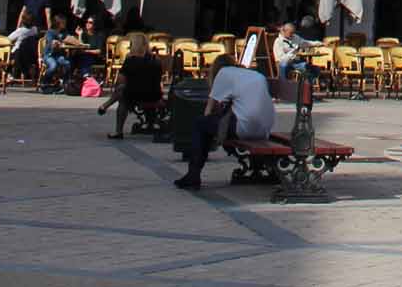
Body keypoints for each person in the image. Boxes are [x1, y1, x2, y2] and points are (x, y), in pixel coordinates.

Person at [176, 57, 276, 190]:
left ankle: (193, 175)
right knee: (209, 124)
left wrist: (210, 134)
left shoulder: (223, 73)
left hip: (245, 128)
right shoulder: (255, 75)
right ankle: (193, 174)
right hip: (265, 130)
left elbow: (209, 109)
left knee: (200, 124)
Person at [103, 41, 166, 139]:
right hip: (154, 95)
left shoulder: (130, 60)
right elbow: (159, 80)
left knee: (122, 95)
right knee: (122, 90)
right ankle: (105, 106)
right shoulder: (156, 60)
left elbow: (121, 79)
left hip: (135, 95)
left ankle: (118, 131)